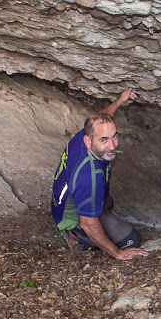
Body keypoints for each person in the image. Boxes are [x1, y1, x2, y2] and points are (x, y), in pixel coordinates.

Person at [52, 88, 149, 260]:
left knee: (105, 200)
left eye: (115, 137)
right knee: (132, 240)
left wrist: (120, 100)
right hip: (71, 217)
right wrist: (118, 253)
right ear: (89, 141)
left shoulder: (86, 134)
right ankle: (76, 236)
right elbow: (88, 223)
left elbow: (100, 118)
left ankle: (94, 214)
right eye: (104, 140)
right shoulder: (90, 177)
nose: (112, 146)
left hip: (64, 199)